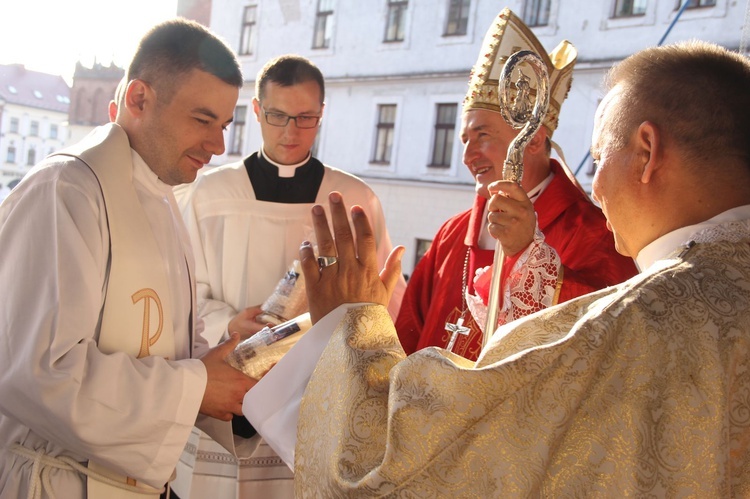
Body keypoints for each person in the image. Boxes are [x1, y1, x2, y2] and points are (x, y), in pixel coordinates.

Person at [244, 39, 750, 495]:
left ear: (646, 151)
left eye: (599, 159)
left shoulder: (611, 264)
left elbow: (408, 469)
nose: (595, 184)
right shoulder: (449, 235)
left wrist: (347, 331)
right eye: (462, 137)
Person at [0, 18, 256, 499]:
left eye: (224, 125)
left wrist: (218, 359)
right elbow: (40, 373)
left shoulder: (163, 199)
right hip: (57, 483)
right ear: (138, 98)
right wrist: (196, 385)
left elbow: (163, 348)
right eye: (202, 120)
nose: (218, 145)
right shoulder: (68, 190)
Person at [174, 54, 406, 498]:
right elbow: (182, 293)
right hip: (225, 384)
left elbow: (378, 307)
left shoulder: (355, 198)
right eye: (278, 115)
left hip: (312, 399)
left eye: (305, 118)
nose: (290, 132)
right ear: (257, 111)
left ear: (321, 116)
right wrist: (229, 325)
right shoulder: (210, 193)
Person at [395, 8, 638, 360]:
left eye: (482, 135)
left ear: (534, 140)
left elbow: (605, 341)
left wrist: (528, 255)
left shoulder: (597, 235)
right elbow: (408, 335)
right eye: (464, 138)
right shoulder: (452, 233)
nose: (467, 155)